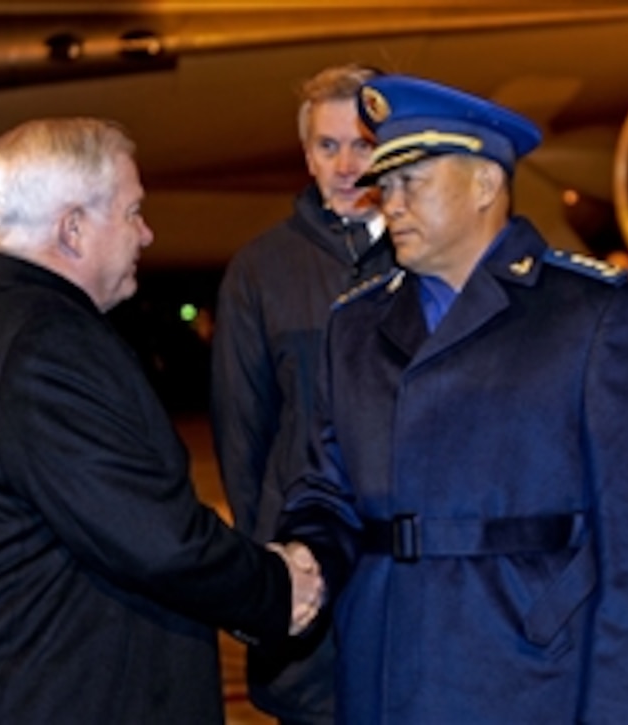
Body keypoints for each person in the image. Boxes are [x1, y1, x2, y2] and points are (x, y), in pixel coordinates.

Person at [274, 75, 628, 723]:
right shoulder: (355, 325)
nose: (392, 203)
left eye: (414, 181)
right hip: (385, 670)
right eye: (390, 182)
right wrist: (306, 555)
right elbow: (327, 490)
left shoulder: (588, 316)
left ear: (485, 184)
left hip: (528, 677)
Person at [0, 118, 325, 724]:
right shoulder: (44, 343)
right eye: (133, 212)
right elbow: (151, 534)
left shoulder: (5, 324)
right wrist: (274, 585)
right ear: (73, 229)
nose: (147, 233)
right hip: (71, 697)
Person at [210, 62, 393, 725]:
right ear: (305, 153)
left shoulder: (427, 258)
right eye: (327, 145)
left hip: (404, 574)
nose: (346, 165)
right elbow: (242, 435)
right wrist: (271, 573)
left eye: (363, 144)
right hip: (307, 577)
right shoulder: (259, 271)